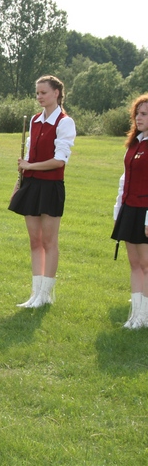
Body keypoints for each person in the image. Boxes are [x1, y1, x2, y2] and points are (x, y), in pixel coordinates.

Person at [8, 75, 76, 308]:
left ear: (56, 93)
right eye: (37, 93)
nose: (39, 97)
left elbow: (59, 161)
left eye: (43, 92)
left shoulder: (65, 122)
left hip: (50, 186)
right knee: (35, 241)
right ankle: (35, 294)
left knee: (49, 241)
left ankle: (46, 294)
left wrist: (30, 166)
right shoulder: (35, 120)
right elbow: (28, 156)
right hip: (31, 184)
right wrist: (18, 186)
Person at [112, 94, 148, 328]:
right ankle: (135, 315)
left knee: (146, 264)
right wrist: (118, 211)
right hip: (129, 208)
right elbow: (124, 180)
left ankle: (144, 316)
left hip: (145, 211)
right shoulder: (135, 143)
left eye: (144, 114)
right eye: (137, 113)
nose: (138, 118)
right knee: (134, 263)